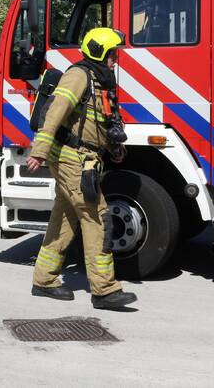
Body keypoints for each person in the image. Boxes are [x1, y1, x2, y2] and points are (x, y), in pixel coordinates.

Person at [26, 27, 137, 311]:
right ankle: (104, 289)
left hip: (84, 157)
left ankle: (44, 279)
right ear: (100, 52)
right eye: (113, 54)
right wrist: (39, 152)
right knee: (97, 217)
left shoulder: (102, 81)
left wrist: (114, 148)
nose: (116, 59)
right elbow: (55, 112)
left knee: (64, 219)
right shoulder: (78, 76)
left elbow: (101, 123)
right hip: (70, 157)